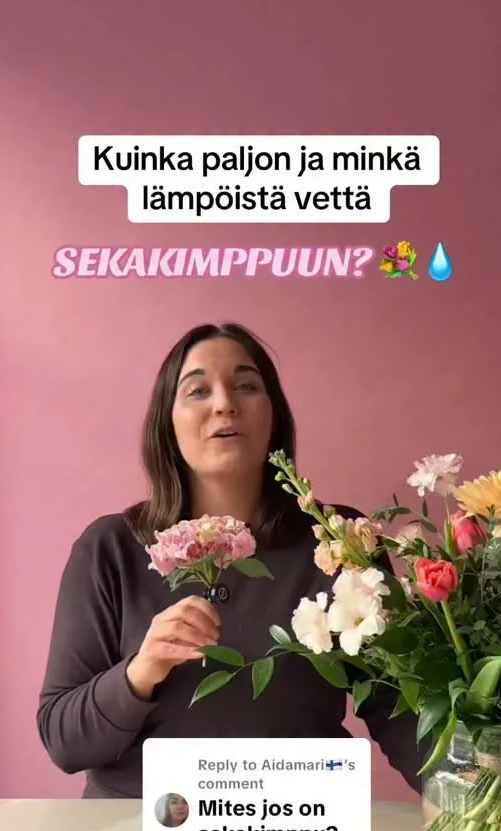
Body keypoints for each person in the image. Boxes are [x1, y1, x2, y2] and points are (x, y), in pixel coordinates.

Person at [35, 322, 432, 798]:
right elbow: (64, 740)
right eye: (198, 390)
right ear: (167, 423)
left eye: (246, 386)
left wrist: (476, 799)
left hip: (297, 827)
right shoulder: (110, 549)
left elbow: (398, 706)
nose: (224, 403)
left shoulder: (338, 539)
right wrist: (141, 670)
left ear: (273, 415)